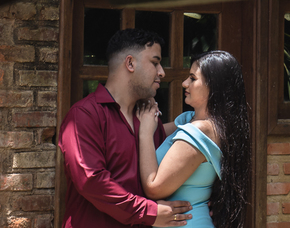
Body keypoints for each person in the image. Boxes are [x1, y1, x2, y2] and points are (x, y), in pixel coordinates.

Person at [59, 28, 194, 228]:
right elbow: (92, 181)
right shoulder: (84, 115)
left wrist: (194, 207)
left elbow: (164, 178)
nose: (162, 72)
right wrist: (150, 212)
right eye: (155, 63)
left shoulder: (149, 119)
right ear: (130, 63)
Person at [134, 51, 252, 228]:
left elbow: (154, 187)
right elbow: (152, 133)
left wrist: (144, 132)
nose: (184, 83)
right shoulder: (189, 120)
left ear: (214, 86)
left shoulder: (201, 130)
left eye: (192, 78)